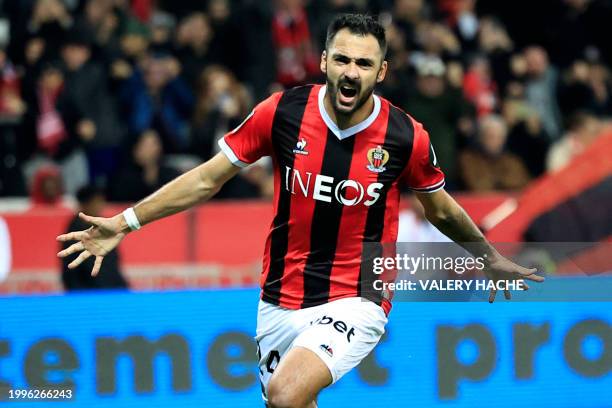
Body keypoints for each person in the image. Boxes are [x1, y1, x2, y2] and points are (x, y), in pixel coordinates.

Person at [57, 14, 543, 408]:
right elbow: (208, 178)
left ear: (381, 72)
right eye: (344, 59)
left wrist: (487, 257)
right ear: (325, 60)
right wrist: (125, 222)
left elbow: (440, 209)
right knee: (284, 402)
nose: (352, 72)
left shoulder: (405, 136)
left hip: (358, 294)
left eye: (364, 63)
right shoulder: (282, 112)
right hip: (278, 298)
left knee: (287, 395)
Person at [60, 185, 128, 290]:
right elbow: (71, 270)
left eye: (101, 201)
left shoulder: (104, 227)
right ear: (84, 204)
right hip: (86, 291)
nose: (100, 206)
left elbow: (112, 264)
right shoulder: (74, 232)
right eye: (96, 202)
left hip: (112, 289)